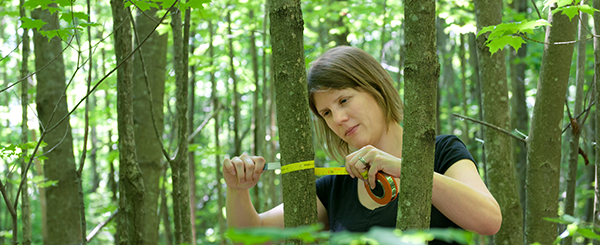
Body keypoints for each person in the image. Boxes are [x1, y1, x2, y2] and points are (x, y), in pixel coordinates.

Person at [223, 46, 502, 244]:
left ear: (375, 87)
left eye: (344, 100)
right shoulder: (336, 185)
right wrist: (237, 190)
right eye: (327, 113)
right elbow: (253, 236)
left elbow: (488, 221)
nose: (339, 119)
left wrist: (406, 170)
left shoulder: (441, 152)